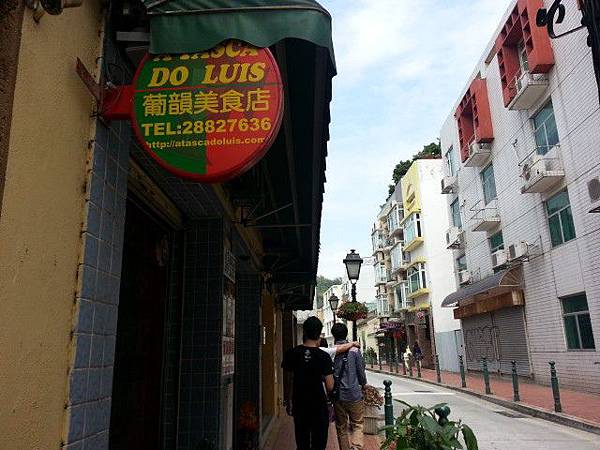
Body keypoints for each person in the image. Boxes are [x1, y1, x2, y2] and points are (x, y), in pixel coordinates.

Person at [282, 317, 334, 450]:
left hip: (299, 404)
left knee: (302, 443)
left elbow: (287, 380)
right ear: (319, 333)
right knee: (319, 443)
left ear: (304, 331)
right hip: (319, 405)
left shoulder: (291, 353)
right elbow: (330, 386)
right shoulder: (324, 357)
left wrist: (288, 400)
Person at [331, 323, 367, 450]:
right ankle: (356, 447)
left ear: (333, 335)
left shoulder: (332, 351)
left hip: (338, 395)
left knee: (341, 427)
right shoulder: (355, 351)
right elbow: (361, 372)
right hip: (354, 394)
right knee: (357, 424)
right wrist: (363, 384)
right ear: (346, 334)